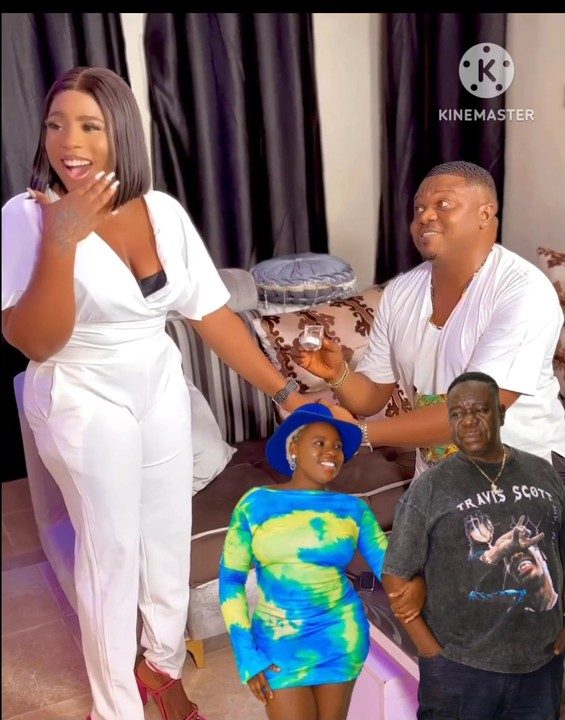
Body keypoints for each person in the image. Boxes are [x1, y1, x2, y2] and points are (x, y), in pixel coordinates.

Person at [0, 66, 313, 720]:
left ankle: (160, 670)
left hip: (158, 382)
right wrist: (61, 242)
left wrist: (284, 392)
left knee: (166, 540)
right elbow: (35, 341)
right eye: (56, 124)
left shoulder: (161, 211)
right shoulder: (27, 217)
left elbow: (211, 314)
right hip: (80, 391)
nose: (69, 141)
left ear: (121, 132)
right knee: (111, 556)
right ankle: (115, 710)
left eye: (89, 125)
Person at [298, 160, 565, 482]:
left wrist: (361, 433)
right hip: (438, 482)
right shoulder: (400, 292)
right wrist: (337, 374)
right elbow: (371, 396)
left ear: (484, 215)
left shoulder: (522, 291)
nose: (425, 216)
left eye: (443, 204)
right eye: (419, 208)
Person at [218, 402, 425, 720]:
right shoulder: (256, 503)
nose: (331, 451)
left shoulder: (353, 509)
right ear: (294, 448)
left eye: (337, 446)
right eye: (320, 442)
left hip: (339, 636)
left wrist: (418, 583)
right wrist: (246, 654)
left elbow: (389, 566)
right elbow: (231, 580)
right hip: (277, 641)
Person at [381, 371, 565, 719]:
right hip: (459, 668)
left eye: (479, 410)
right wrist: (430, 651)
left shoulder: (541, 473)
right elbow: (396, 573)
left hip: (541, 664)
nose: (467, 421)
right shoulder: (431, 487)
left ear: (501, 413)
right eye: (457, 413)